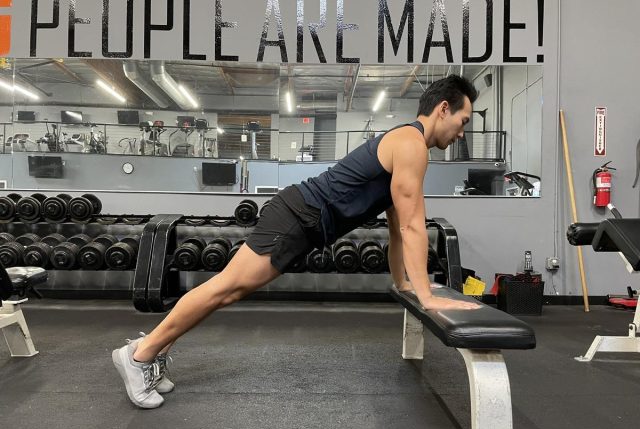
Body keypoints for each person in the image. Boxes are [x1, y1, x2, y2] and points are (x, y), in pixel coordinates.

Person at [112, 74, 482, 409]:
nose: (461, 133)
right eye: (463, 121)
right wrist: (428, 295)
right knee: (225, 289)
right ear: (443, 109)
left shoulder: (407, 144)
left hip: (300, 219)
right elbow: (415, 227)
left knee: (226, 290)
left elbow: (399, 224)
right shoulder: (412, 144)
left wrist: (404, 283)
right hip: (297, 217)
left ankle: (149, 351)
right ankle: (140, 355)